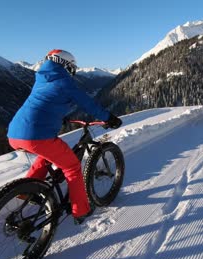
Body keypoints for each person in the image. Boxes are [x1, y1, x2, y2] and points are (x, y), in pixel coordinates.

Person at [7, 49, 122, 224]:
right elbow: (87, 103)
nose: (72, 70)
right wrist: (109, 118)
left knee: (45, 157)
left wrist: (60, 115)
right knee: (73, 167)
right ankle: (81, 210)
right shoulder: (64, 81)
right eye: (72, 67)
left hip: (15, 133)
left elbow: (45, 102)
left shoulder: (41, 79)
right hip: (36, 135)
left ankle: (27, 189)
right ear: (65, 64)